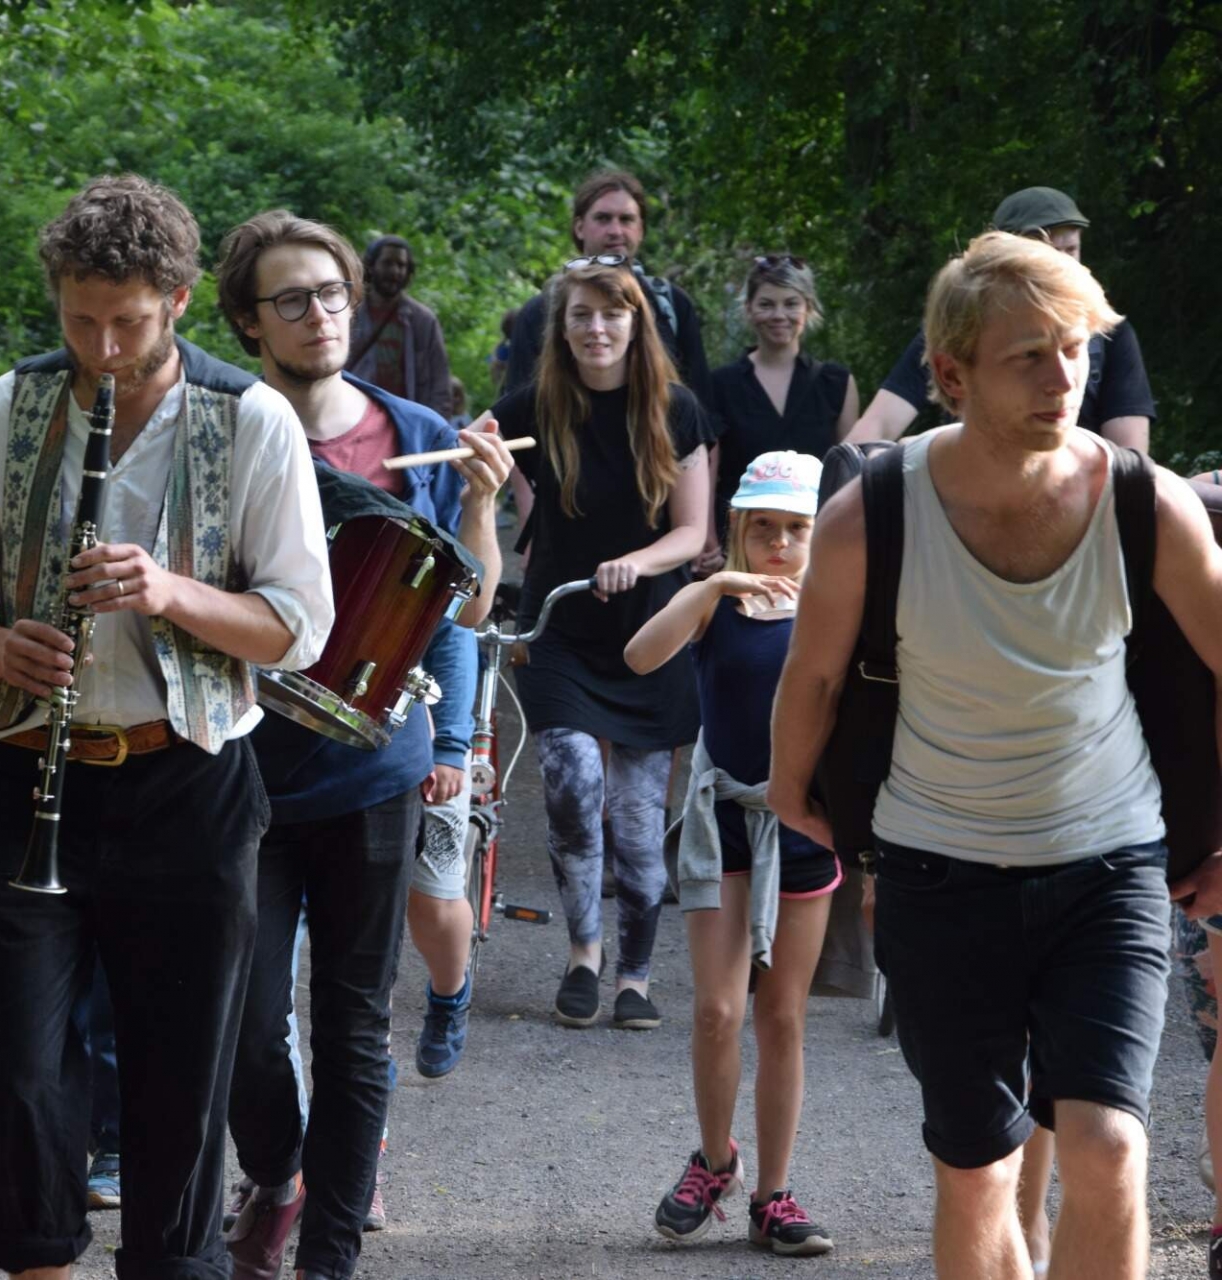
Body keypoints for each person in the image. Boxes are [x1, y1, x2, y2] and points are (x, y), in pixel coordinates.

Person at [771, 231, 1222, 1280]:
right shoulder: (869, 517)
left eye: (1076, 349)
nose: (1064, 376)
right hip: (938, 872)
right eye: (1029, 354)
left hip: (1108, 864)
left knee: (1108, 1142)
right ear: (949, 373)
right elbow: (815, 678)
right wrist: (794, 793)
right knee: (978, 1167)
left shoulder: (1144, 502)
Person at [0, 174, 333, 1280]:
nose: (102, 345)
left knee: (180, 1072)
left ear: (181, 299)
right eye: (80, 319)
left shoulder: (253, 421)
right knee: (16, 1062)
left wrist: (168, 590)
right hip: (21, 771)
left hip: (187, 782)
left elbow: (298, 628)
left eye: (129, 321)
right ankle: (42, 1261)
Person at [212, 209, 510, 1280]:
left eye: (331, 294)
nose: (319, 315)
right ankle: (279, 1173)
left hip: (373, 768)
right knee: (243, 1023)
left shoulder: (411, 432)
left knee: (348, 1023)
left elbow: (466, 610)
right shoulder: (222, 431)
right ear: (249, 321)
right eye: (290, 300)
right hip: (239, 765)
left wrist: (480, 510)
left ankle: (329, 1254)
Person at [486, 259, 714, 1031]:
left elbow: (692, 532)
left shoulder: (676, 411)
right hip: (561, 628)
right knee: (574, 790)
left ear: (635, 323)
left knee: (639, 823)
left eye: (611, 315)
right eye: (580, 315)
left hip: (650, 632)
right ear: (562, 327)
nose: (595, 328)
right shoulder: (532, 406)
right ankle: (584, 953)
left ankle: (637, 977)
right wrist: (481, 478)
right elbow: (488, 474)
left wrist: (639, 562)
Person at [626, 450, 836, 1258]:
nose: (780, 545)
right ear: (739, 530)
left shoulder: (836, 605)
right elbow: (641, 658)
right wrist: (710, 587)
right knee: (718, 1011)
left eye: (796, 529)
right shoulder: (716, 602)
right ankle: (715, 1161)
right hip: (723, 824)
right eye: (765, 529)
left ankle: (774, 1196)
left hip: (804, 831)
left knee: (782, 1018)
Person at [848, 187, 1154, 454]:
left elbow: (1128, 459)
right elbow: (878, 425)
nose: (1063, 381)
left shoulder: (1112, 334)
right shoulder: (955, 329)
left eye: (1070, 249)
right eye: (1046, 250)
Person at [502, 169, 712, 408]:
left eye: (626, 219)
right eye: (603, 218)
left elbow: (704, 409)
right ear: (579, 227)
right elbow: (515, 412)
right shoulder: (539, 311)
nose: (615, 231)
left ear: (641, 229)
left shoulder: (673, 304)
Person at [705, 257, 858, 535]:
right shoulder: (720, 384)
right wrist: (707, 537)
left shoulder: (837, 383)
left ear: (808, 308)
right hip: (739, 537)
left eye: (791, 303)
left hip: (814, 537)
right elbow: (708, 472)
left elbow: (849, 473)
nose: (778, 315)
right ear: (749, 309)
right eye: (766, 304)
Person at [345, 234, 455, 419]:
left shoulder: (422, 320)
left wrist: (436, 426)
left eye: (401, 265)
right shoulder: (349, 313)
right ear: (371, 266)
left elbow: (440, 382)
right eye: (387, 263)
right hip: (354, 416)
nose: (395, 271)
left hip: (406, 420)